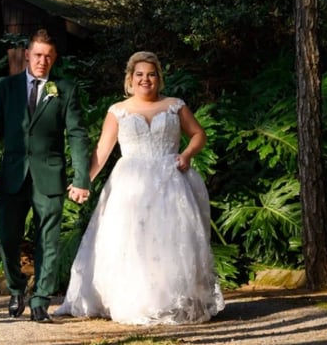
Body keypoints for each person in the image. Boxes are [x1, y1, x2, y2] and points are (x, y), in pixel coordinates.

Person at [54, 51, 224, 325]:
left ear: (159, 78)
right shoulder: (118, 110)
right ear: (130, 79)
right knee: (129, 240)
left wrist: (187, 154)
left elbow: (198, 134)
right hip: (129, 184)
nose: (146, 79)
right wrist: (84, 182)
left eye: (151, 74)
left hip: (170, 181)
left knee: (170, 241)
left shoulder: (174, 105)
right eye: (140, 74)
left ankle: (170, 301)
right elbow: (102, 151)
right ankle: (133, 300)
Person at [0, 29, 90, 323]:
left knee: (48, 241)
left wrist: (81, 179)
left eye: (48, 56)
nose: (42, 61)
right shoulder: (6, 87)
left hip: (49, 176)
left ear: (55, 58)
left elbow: (77, 135)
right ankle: (16, 288)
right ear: (27, 55)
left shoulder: (64, 89)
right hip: (12, 175)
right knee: (6, 238)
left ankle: (40, 300)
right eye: (38, 55)